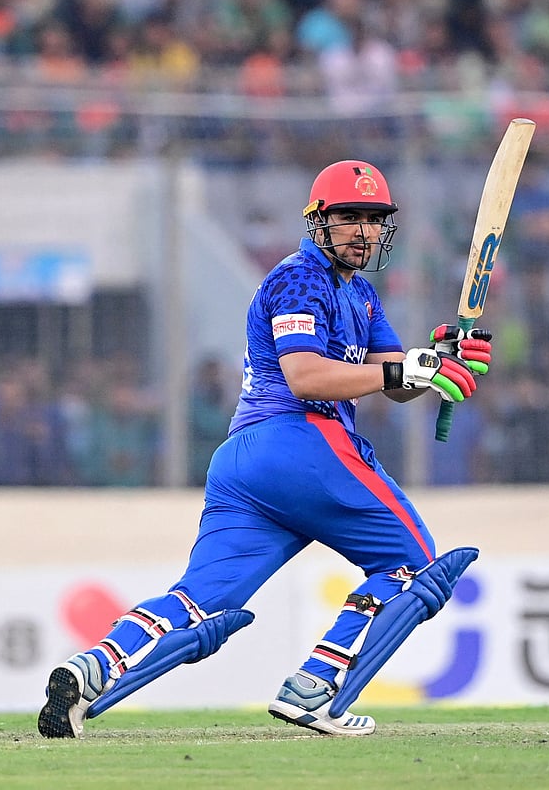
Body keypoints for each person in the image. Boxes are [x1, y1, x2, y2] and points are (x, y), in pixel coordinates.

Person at [37, 159, 493, 738]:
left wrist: (437, 359)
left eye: (374, 218)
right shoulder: (298, 278)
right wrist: (416, 368)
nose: (363, 230)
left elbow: (390, 380)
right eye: (349, 217)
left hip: (244, 463)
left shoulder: (363, 297)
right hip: (302, 441)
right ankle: (315, 690)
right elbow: (306, 376)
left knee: (201, 600)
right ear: (318, 222)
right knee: (415, 566)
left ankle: (90, 670)